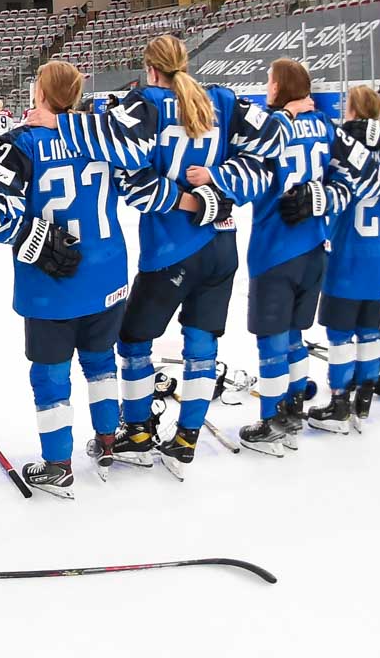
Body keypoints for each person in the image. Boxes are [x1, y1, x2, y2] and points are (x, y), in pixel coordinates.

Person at [0, 61, 143, 498]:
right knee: (100, 361)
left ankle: (58, 461)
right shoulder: (101, 138)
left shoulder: (22, 143)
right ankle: (107, 440)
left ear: (39, 93)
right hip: (108, 270)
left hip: (52, 282)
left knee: (51, 375)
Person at [107, 36, 273, 478]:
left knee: (133, 341)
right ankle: (187, 438)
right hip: (223, 246)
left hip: (173, 251)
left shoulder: (147, 103)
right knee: (202, 346)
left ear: (151, 69)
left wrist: (192, 200)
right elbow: (268, 151)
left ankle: (139, 431)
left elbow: (132, 183)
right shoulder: (222, 98)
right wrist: (219, 183)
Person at [235, 58, 376, 456]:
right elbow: (352, 179)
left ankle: (273, 419)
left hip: (275, 250)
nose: (266, 87)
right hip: (315, 248)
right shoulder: (327, 127)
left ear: (279, 87)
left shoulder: (271, 127)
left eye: (269, 82)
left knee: (272, 340)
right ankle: (293, 407)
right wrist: (324, 198)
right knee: (294, 337)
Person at [308, 84, 380, 432]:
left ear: (351, 111)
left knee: (339, 333)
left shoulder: (349, 156)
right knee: (370, 329)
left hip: (349, 254)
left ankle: (339, 402)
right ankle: (363, 400)